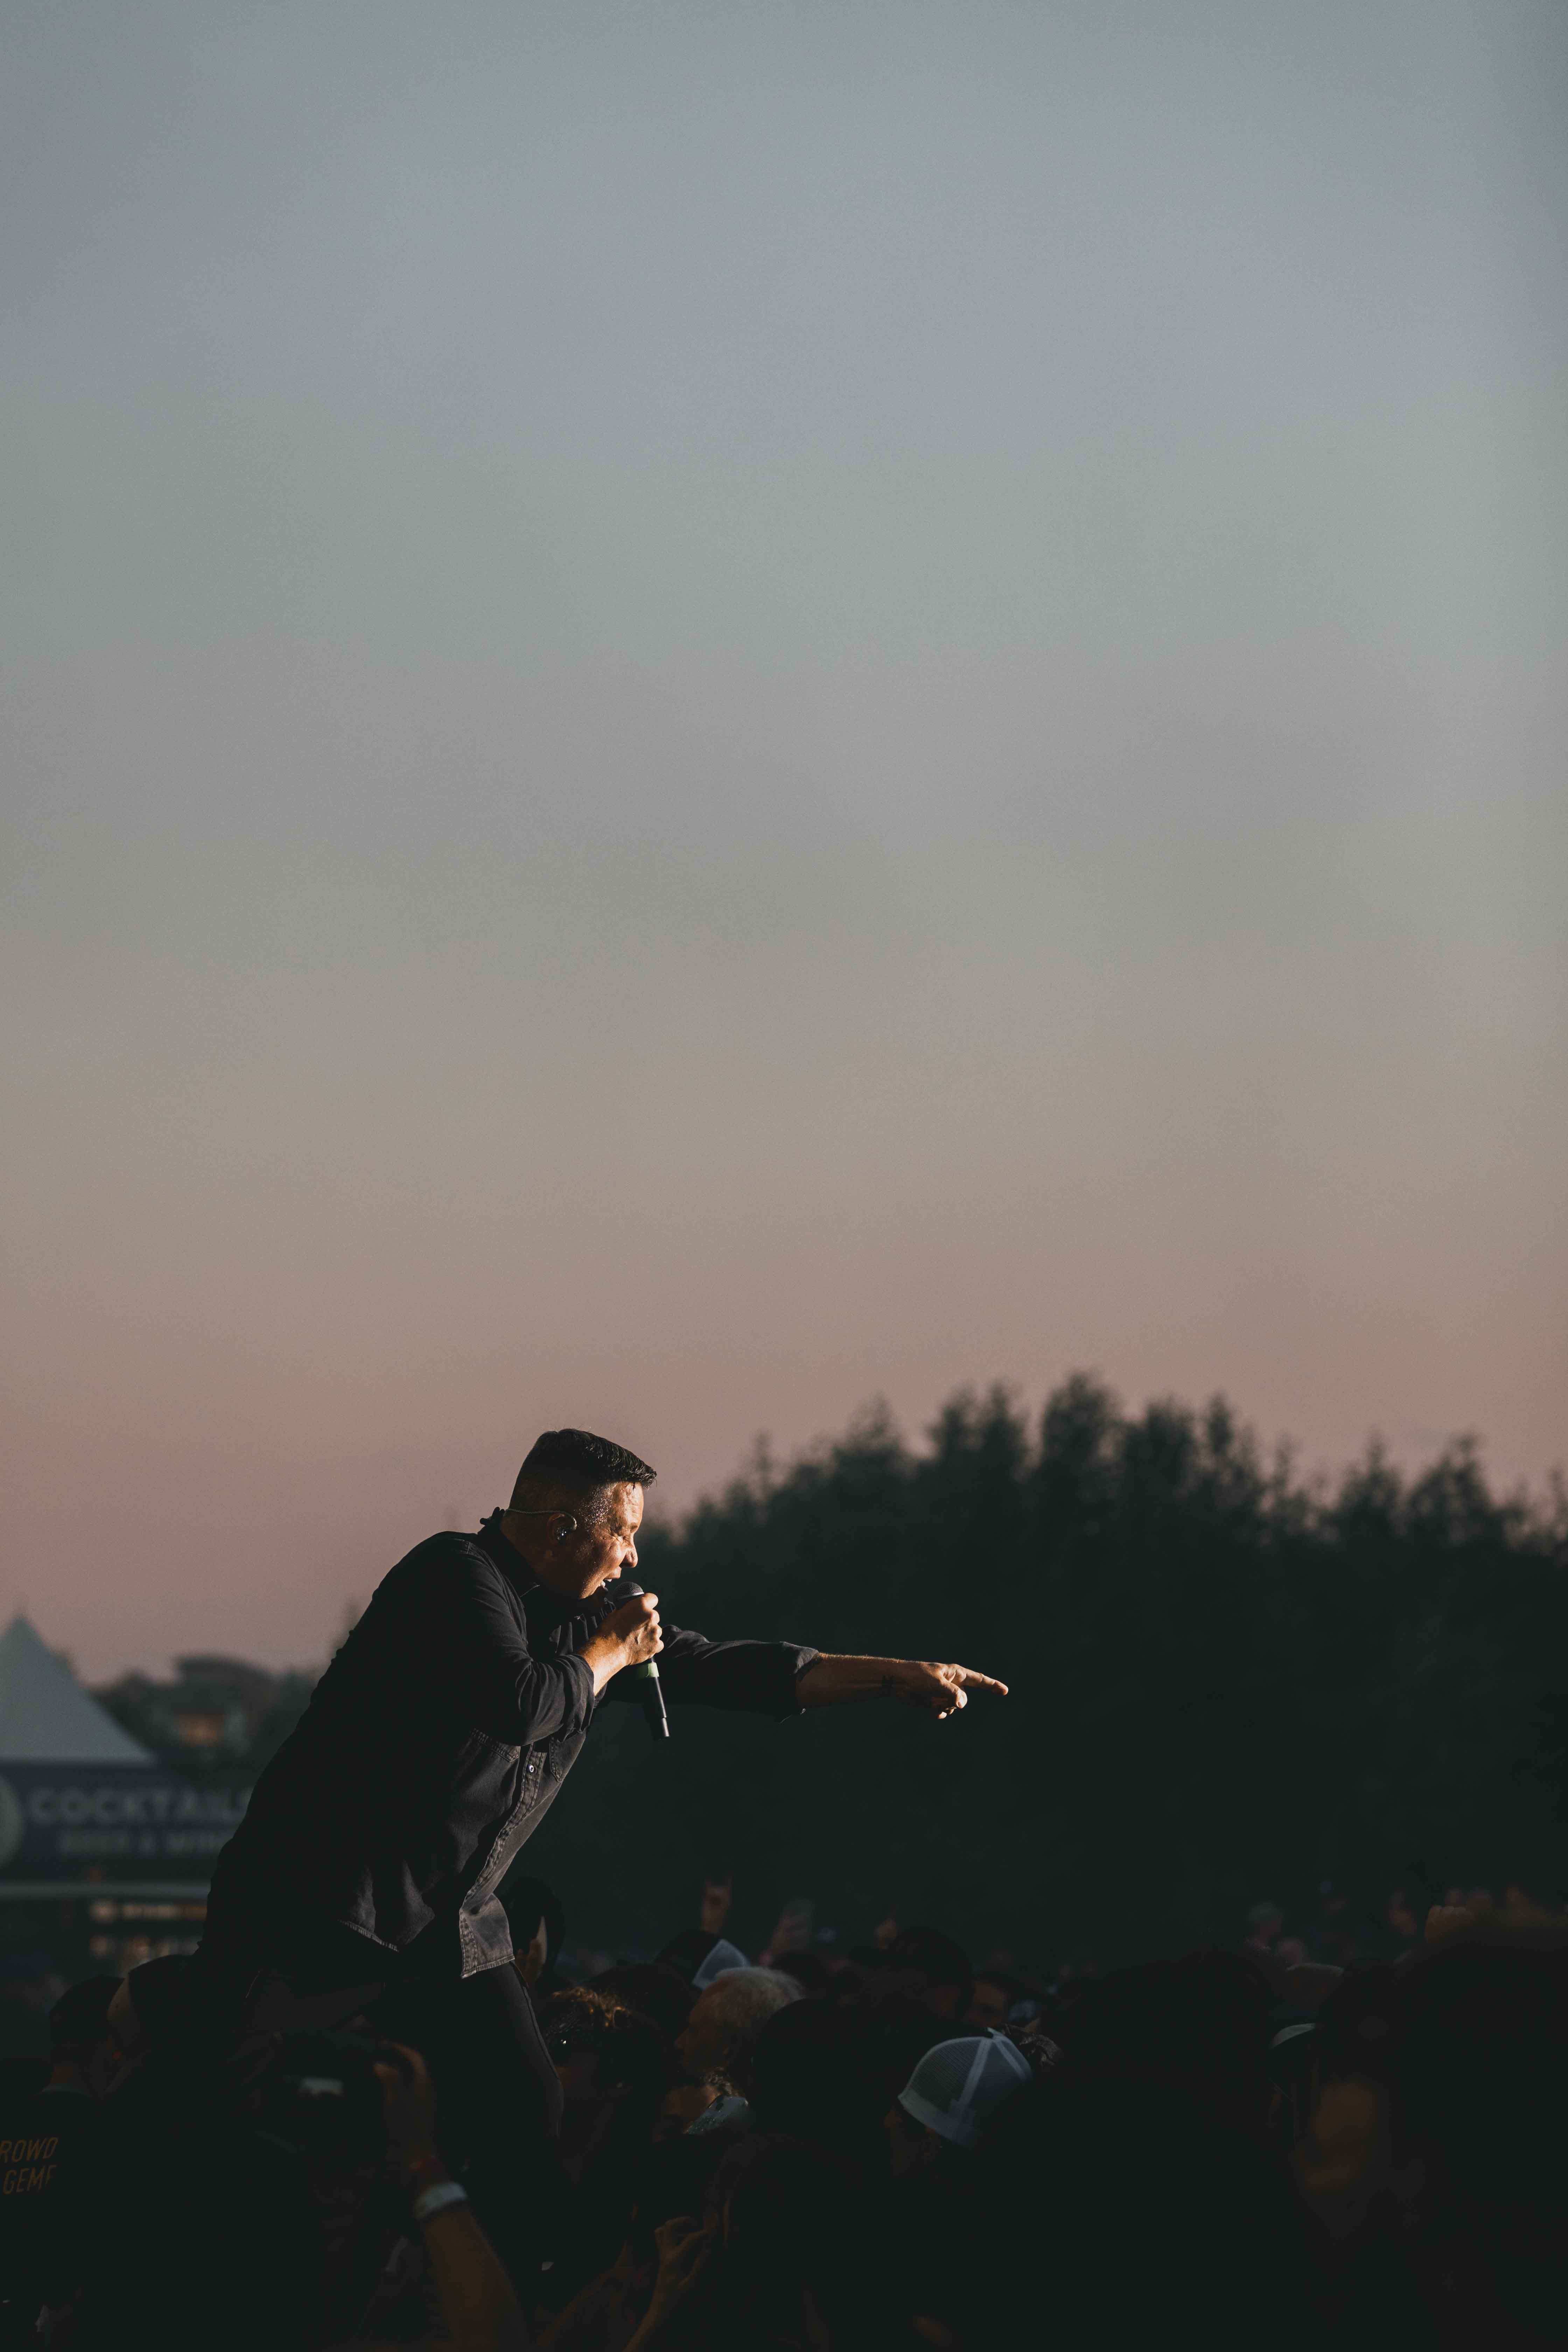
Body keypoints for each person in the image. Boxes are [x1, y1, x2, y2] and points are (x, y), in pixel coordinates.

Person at [192, 1427, 1005, 2274]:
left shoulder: (581, 1618)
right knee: (211, 2096)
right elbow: (523, 1702)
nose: (632, 1555)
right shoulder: (451, 1577)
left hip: (446, 1924)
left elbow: (730, 1670)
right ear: (558, 1529)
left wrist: (897, 1673)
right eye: (622, 1533)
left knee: (523, 2099)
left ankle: (502, 2294)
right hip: (323, 1904)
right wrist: (611, 1652)